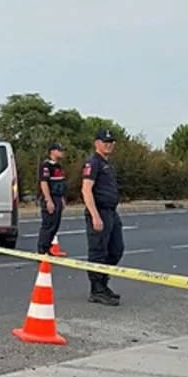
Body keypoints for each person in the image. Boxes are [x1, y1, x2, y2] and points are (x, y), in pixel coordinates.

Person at [81, 129, 123, 306]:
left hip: (111, 212)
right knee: (98, 251)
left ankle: (104, 283)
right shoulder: (93, 162)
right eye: (105, 141)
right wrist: (95, 216)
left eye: (111, 142)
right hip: (99, 211)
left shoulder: (107, 163)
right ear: (96, 143)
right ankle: (97, 290)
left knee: (116, 249)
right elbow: (86, 189)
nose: (108, 144)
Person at [36, 142, 67, 255]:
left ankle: (48, 248)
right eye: (59, 150)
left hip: (58, 196)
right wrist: (48, 200)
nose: (62, 153)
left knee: (56, 223)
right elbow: (44, 183)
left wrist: (62, 198)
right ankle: (42, 249)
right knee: (48, 224)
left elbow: (60, 182)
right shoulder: (46, 165)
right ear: (52, 151)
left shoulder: (57, 165)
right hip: (51, 197)